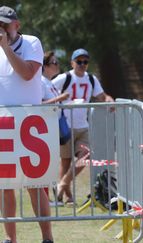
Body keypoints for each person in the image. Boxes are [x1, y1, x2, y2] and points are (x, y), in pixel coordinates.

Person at [0, 6, 53, 243]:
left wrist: (5, 47)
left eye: (4, 24)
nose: (1, 29)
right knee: (4, 186)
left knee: (35, 184)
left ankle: (47, 238)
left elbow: (28, 73)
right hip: (3, 121)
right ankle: (11, 238)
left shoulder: (31, 42)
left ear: (16, 25)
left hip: (30, 122)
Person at [52, 48, 113, 206]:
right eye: (79, 61)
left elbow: (102, 96)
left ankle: (63, 184)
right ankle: (67, 196)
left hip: (83, 125)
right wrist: (62, 101)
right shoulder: (64, 78)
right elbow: (48, 91)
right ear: (72, 62)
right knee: (65, 161)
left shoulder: (91, 79)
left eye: (85, 61)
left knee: (85, 156)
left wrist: (109, 100)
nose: (82, 64)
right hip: (65, 124)